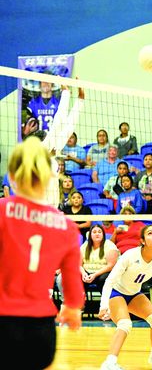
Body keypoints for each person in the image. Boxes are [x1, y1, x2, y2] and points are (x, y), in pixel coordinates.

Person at [0, 137, 84, 369]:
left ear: (12, 175)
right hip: (41, 330)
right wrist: (73, 308)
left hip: (4, 320)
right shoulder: (65, 225)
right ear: (49, 176)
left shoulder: (2, 212)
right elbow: (71, 280)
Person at [98, 224, 152, 370]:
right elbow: (109, 281)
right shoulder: (130, 255)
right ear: (143, 240)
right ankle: (109, 363)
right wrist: (103, 305)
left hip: (134, 294)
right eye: (150, 233)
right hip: (116, 292)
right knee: (125, 324)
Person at [57, 224, 119, 299]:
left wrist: (95, 275)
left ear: (103, 234)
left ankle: (106, 304)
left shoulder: (110, 245)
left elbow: (111, 265)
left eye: (99, 232)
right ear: (90, 235)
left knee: (103, 279)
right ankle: (77, 304)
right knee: (73, 277)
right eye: (94, 232)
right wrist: (83, 274)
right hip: (87, 272)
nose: (97, 234)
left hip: (102, 272)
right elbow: (78, 264)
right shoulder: (85, 246)